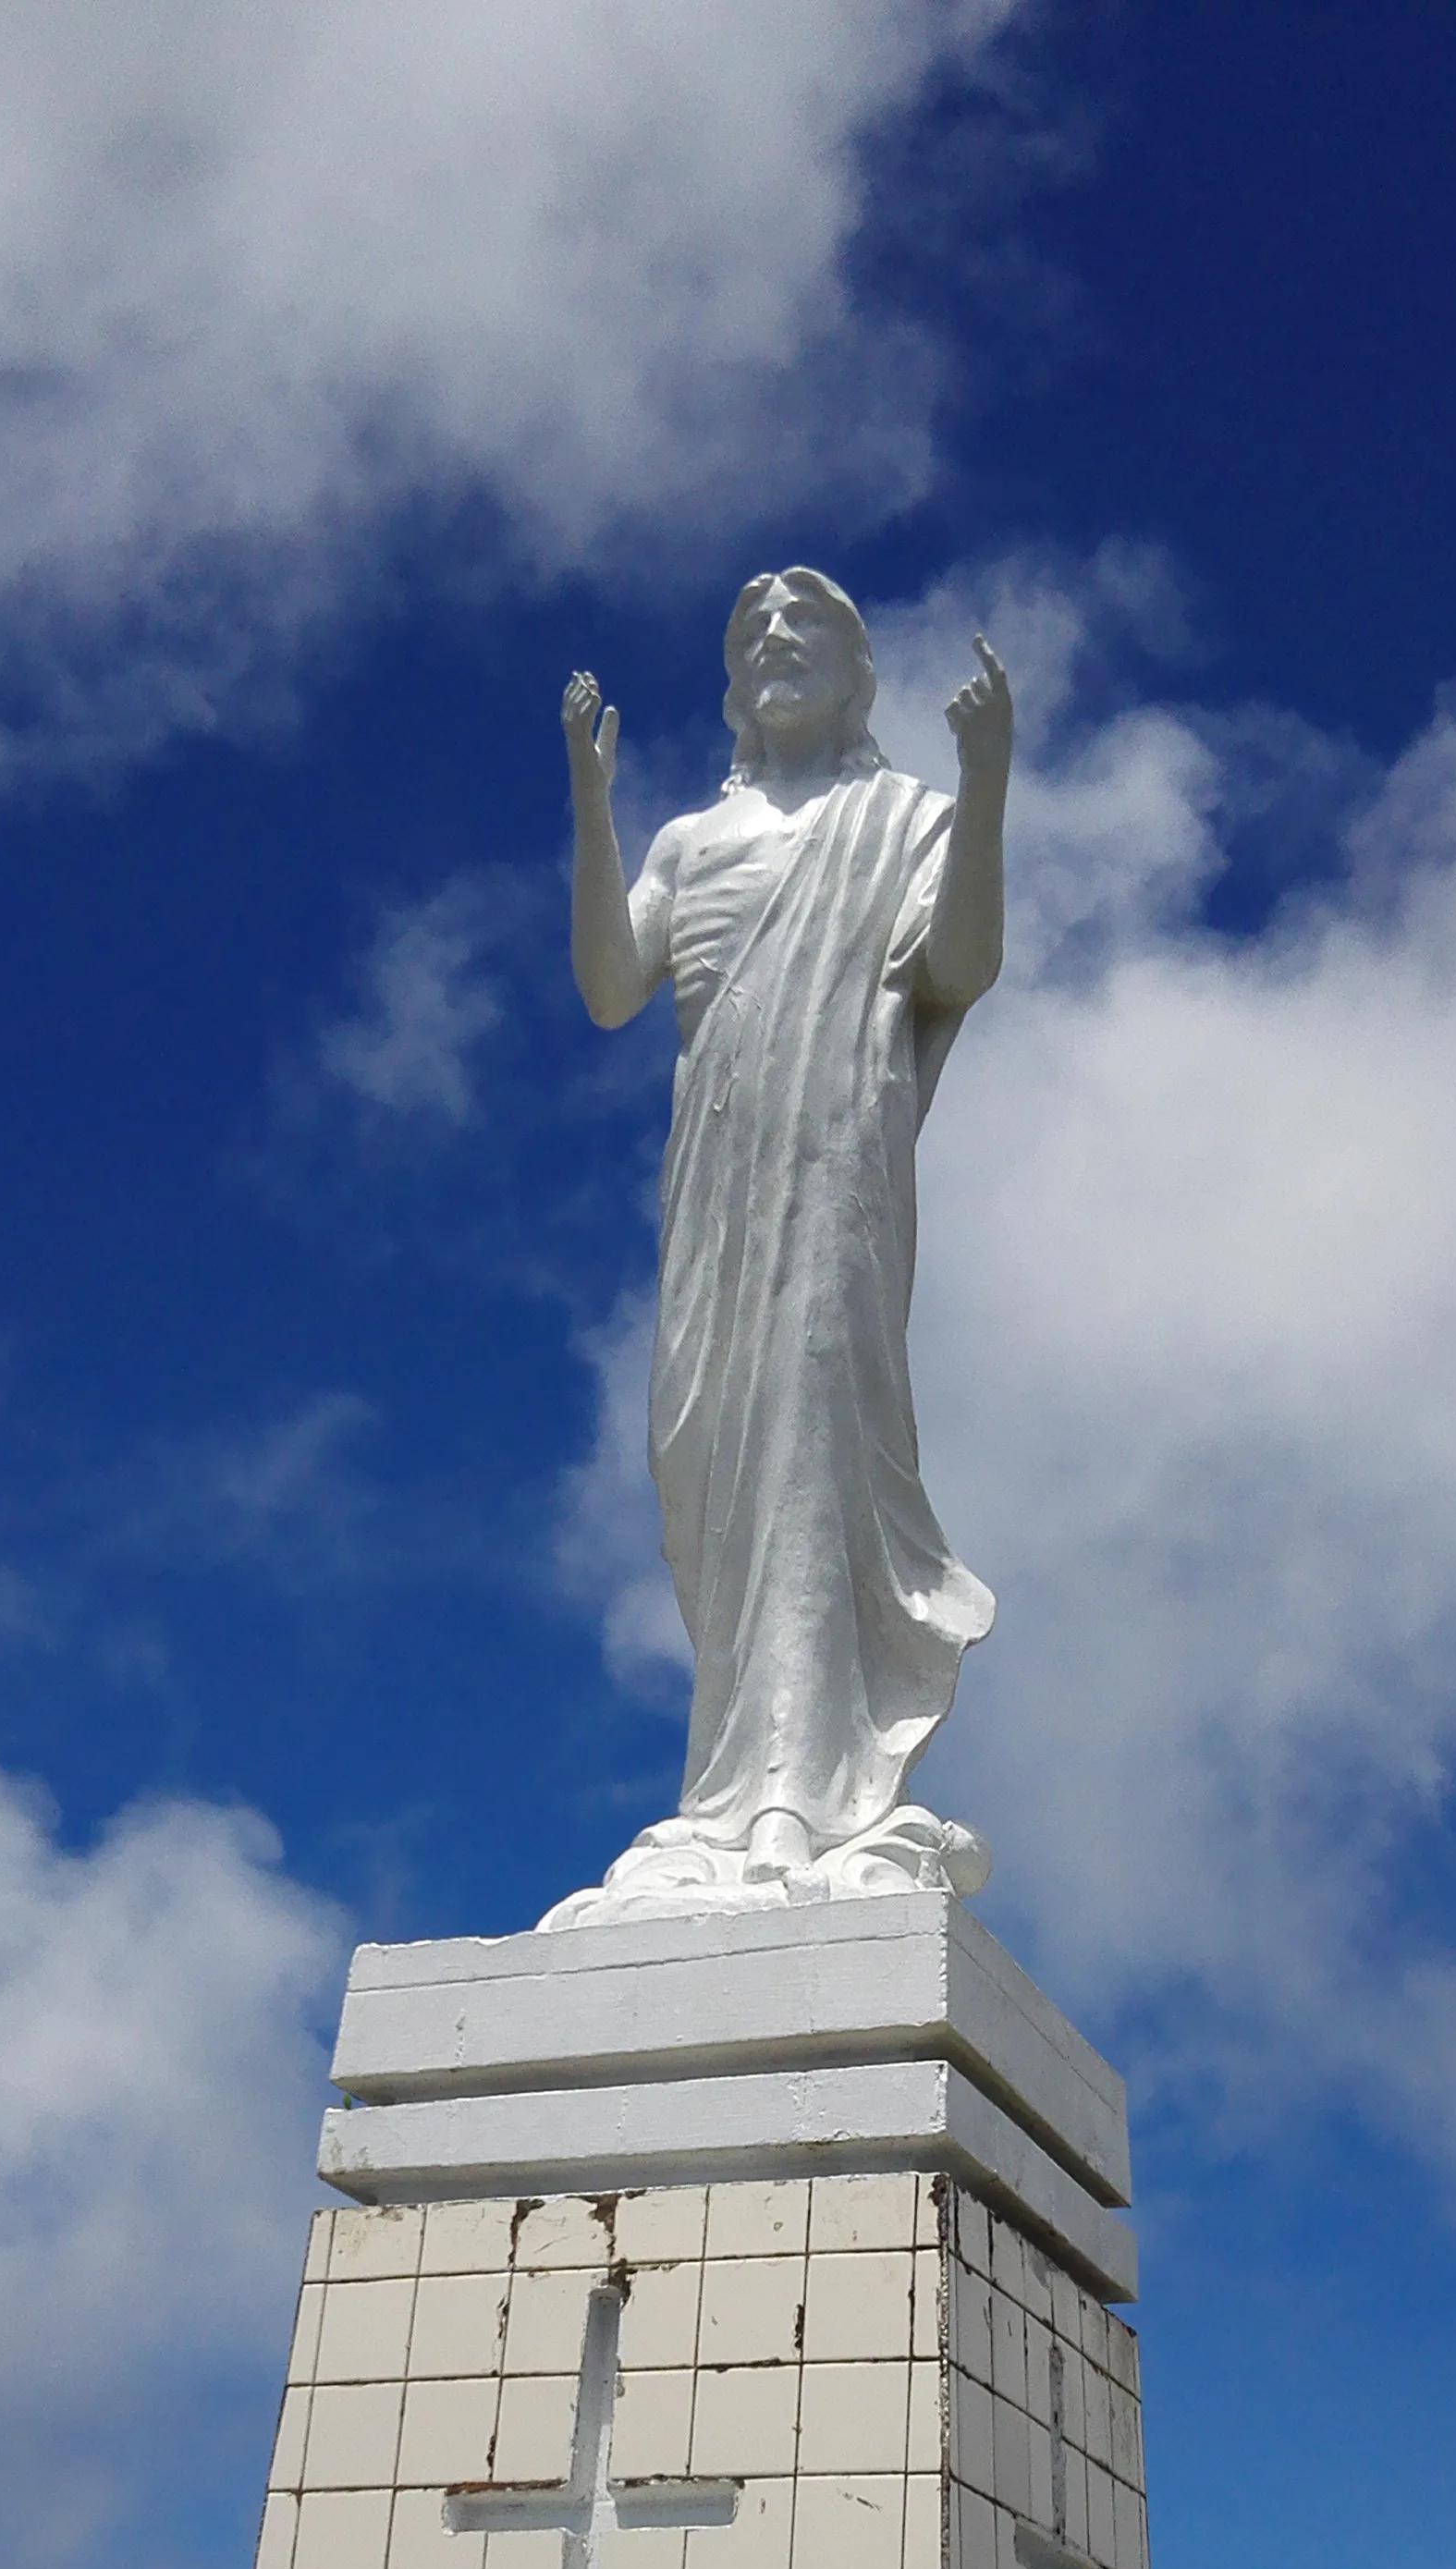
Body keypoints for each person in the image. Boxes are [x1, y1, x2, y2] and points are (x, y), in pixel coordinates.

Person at [544, 568, 1012, 1929]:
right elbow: (610, 987)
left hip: (836, 1167)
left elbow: (961, 965)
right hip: (719, 1183)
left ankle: (804, 1802)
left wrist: (985, 782)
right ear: (736, 683)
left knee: (813, 1435)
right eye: (755, 637)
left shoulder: (903, 819)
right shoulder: (692, 840)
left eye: (806, 633)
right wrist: (592, 803)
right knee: (710, 1455)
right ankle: (728, 1792)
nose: (778, 648)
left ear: (856, 673)